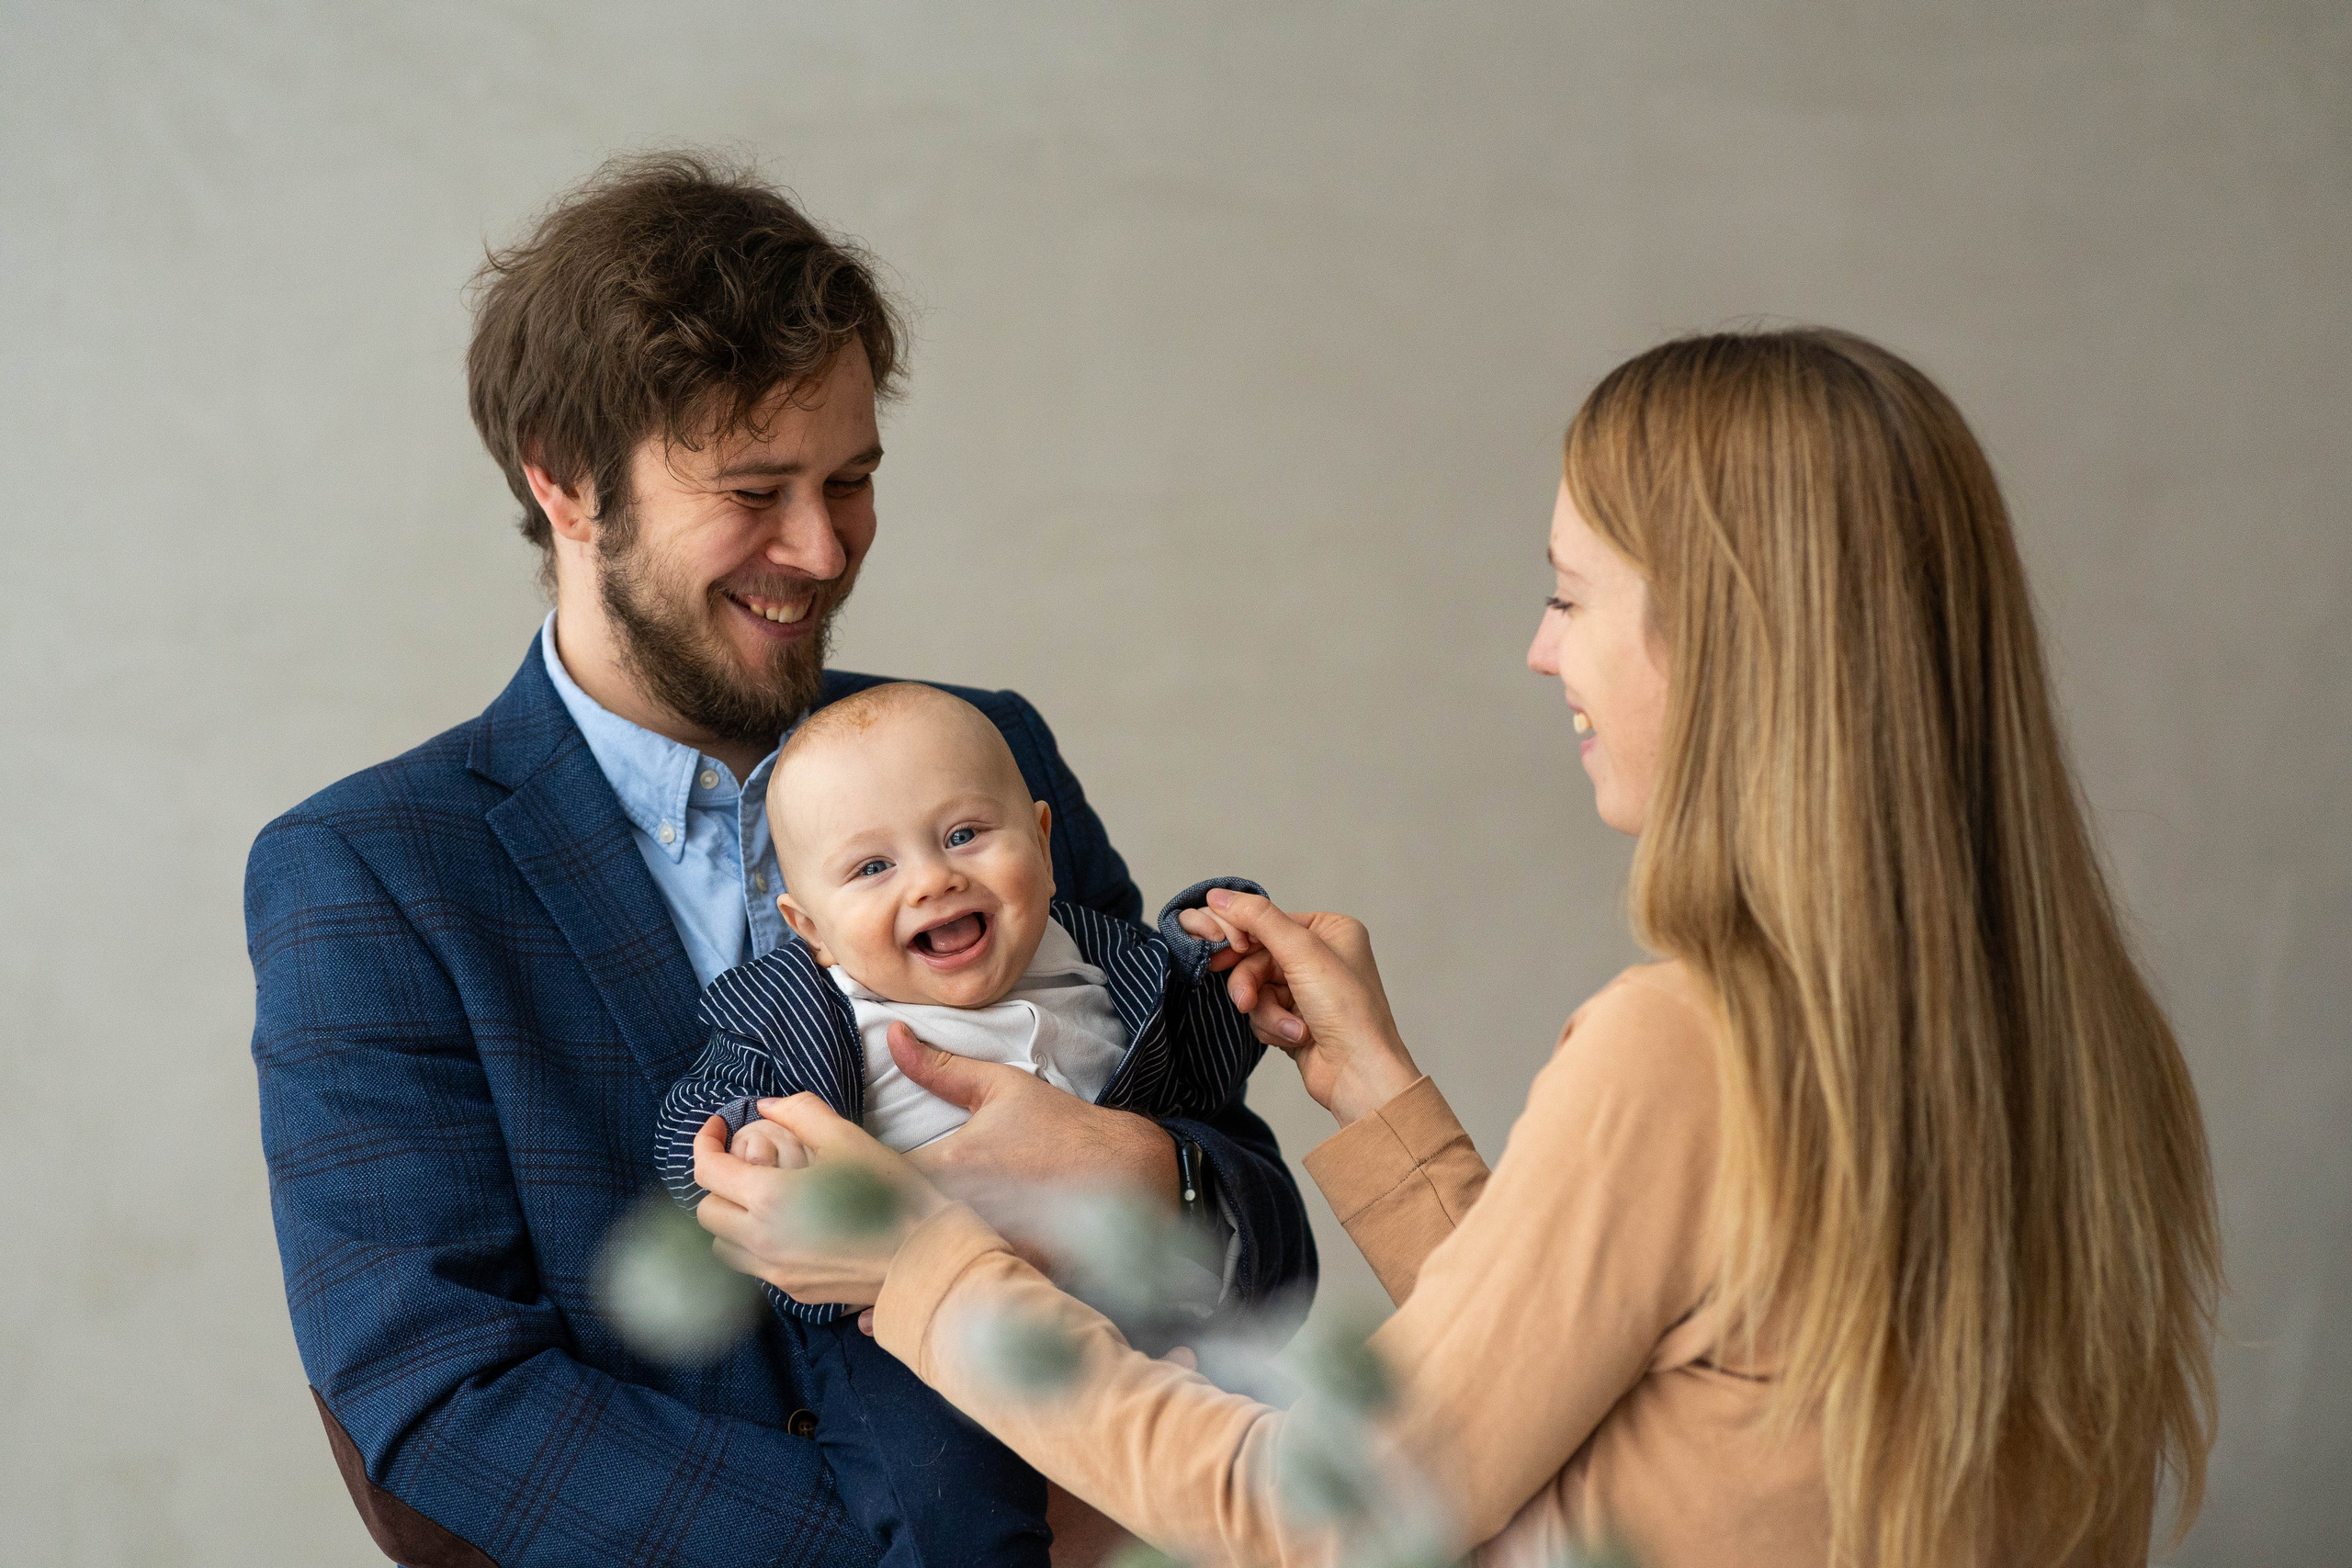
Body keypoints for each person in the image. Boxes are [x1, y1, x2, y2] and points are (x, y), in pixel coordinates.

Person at [691, 328, 2222, 1567]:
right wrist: (1386, 1106)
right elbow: (1646, 1411)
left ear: (1724, 633)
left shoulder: (1686, 1046)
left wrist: (921, 1268)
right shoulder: (2083, 1044)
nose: (1540, 647)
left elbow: (1334, 1510)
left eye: (1569, 594)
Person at [246, 152, 1314, 1568]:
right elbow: (442, 1395)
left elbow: (1261, 1239)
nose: (819, 548)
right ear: (565, 484)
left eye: (852, 478)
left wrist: (1143, 1178)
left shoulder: (986, 755)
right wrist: (927, 1546)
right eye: (754, 491)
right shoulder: (371, 874)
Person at [652, 682, 1269, 1566]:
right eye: (873, 868)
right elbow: (694, 1121)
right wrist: (758, 1142)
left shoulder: (1110, 967)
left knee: (1232, 1479)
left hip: (1124, 1314)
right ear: (810, 928)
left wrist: (1220, 961)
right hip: (908, 1342)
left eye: (963, 835)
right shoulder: (808, 1011)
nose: (934, 878)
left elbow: (1204, 1080)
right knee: (956, 1514)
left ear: (1045, 845)